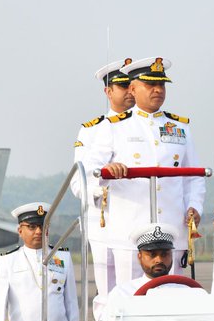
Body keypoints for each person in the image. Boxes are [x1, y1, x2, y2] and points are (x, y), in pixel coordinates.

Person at [87, 57, 205, 286]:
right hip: (130, 229)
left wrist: (195, 206)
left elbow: (194, 177)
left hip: (172, 228)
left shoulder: (180, 127)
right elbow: (90, 171)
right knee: (130, 296)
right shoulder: (114, 126)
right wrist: (106, 171)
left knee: (173, 293)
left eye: (161, 85)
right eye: (150, 84)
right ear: (132, 89)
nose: (158, 90)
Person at [76, 58, 134, 319]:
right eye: (123, 87)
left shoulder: (148, 126)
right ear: (108, 91)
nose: (129, 92)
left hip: (137, 212)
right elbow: (79, 180)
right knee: (107, 284)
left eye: (132, 86)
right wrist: (101, 191)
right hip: (104, 215)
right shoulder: (91, 130)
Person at [106, 223, 193, 305]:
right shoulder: (123, 294)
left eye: (164, 254)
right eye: (152, 254)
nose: (159, 260)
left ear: (171, 256)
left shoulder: (186, 292)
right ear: (139, 257)